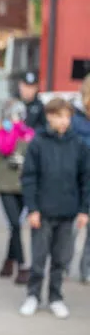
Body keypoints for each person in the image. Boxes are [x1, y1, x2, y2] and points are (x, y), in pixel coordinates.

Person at [20, 98, 90, 319]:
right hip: (42, 212)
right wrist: (32, 208)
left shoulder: (78, 144)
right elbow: (29, 178)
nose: (64, 121)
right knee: (39, 258)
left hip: (68, 213)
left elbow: (85, 179)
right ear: (49, 116)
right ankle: (33, 295)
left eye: (67, 117)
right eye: (59, 116)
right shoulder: (38, 143)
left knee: (61, 259)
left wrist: (84, 210)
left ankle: (55, 297)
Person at [0, 100, 34, 285]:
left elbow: (32, 150)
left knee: (15, 225)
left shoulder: (28, 132)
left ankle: (8, 261)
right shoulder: (1, 131)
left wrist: (21, 131)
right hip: (5, 186)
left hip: (23, 185)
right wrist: (14, 129)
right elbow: (5, 147)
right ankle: (22, 265)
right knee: (15, 224)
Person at [71, 75, 90, 284]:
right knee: (73, 229)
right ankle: (63, 265)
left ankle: (86, 270)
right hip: (77, 182)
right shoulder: (75, 120)